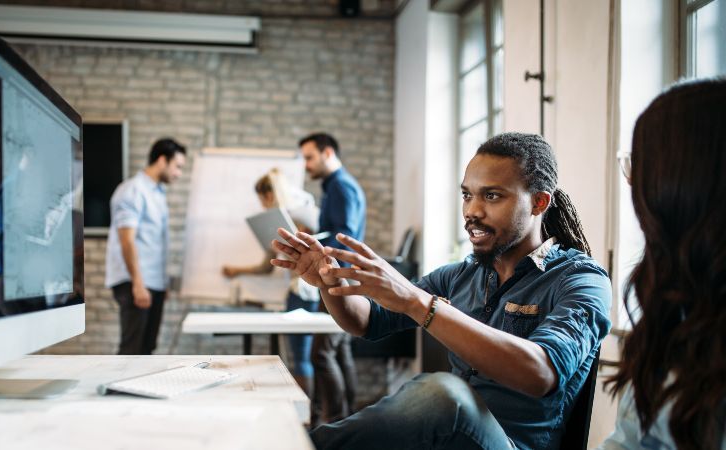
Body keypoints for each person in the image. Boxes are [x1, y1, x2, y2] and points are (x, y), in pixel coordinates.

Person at [272, 132, 612, 449]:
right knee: (439, 398)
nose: (472, 211)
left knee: (443, 395)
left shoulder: (581, 280)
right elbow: (368, 322)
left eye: (492, 196)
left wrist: (420, 304)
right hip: (450, 442)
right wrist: (331, 284)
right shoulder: (461, 275)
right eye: (467, 195)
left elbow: (541, 373)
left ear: (539, 202)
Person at [600, 79, 726, 449]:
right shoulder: (678, 304)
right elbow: (628, 441)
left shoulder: (578, 276)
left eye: (641, 169)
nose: (633, 184)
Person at [222, 168, 321, 394]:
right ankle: (304, 410)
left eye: (262, 198)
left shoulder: (302, 216)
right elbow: (267, 267)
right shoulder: (278, 223)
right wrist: (236, 270)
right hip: (295, 292)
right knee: (298, 357)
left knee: (301, 357)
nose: (262, 204)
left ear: (270, 195)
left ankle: (305, 414)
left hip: (304, 292)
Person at [299, 132, 366, 427]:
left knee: (322, 353)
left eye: (309, 157)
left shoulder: (340, 187)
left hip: (338, 278)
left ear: (328, 154)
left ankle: (336, 423)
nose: (306, 164)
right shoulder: (335, 187)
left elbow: (344, 236)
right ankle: (347, 419)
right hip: (340, 277)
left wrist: (308, 241)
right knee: (338, 351)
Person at [105, 138, 186, 355]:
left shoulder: (157, 194)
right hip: (135, 281)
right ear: (162, 160)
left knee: (147, 348)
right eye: (177, 166)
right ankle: (120, 389)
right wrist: (138, 284)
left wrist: (161, 283)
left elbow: (154, 242)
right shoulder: (132, 190)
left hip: (153, 281)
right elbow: (127, 240)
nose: (179, 173)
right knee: (132, 348)